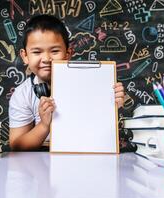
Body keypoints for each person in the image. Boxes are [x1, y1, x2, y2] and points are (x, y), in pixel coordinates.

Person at [9, 14, 125, 151]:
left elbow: (99, 132)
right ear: (25, 56)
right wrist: (44, 125)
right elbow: (16, 145)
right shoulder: (22, 94)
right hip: (41, 157)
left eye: (54, 51)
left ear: (68, 53)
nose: (46, 58)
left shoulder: (91, 85)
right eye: (37, 52)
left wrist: (109, 107)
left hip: (85, 151)